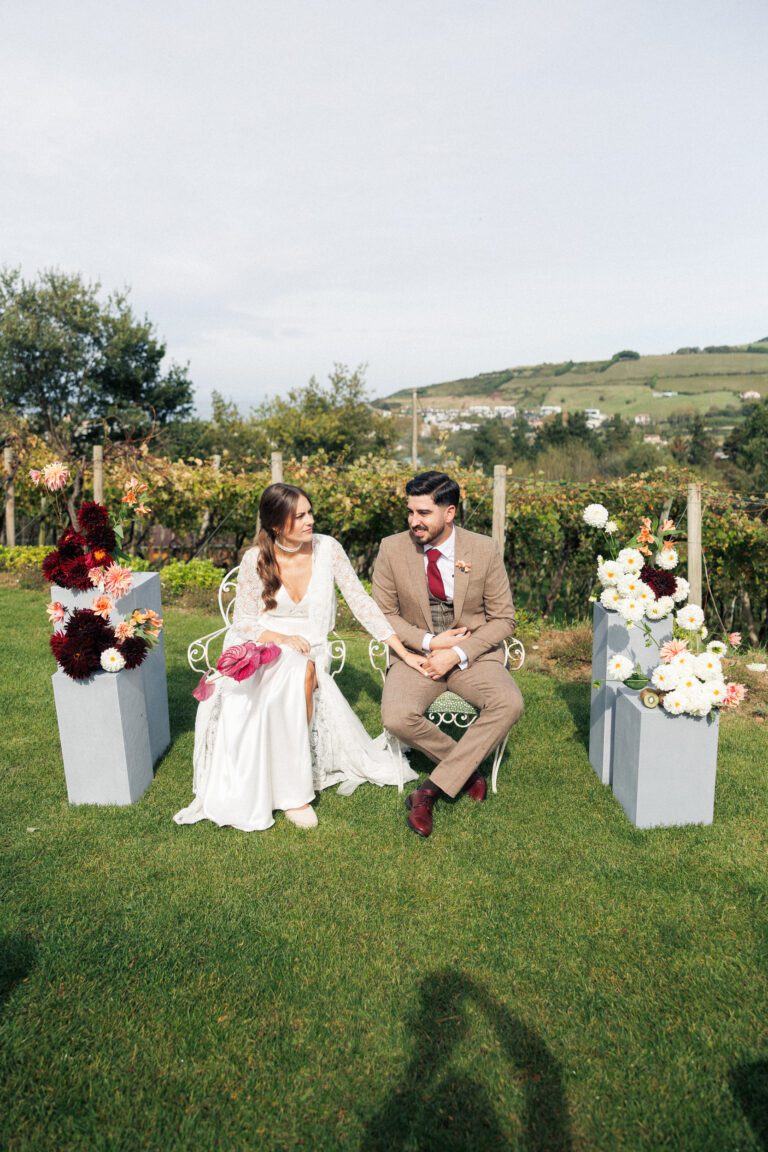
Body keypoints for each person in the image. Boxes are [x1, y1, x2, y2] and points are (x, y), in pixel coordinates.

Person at [174, 483, 424, 832]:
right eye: (300, 516)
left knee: (297, 674)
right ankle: (256, 779)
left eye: (310, 512)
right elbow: (244, 619)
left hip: (310, 646)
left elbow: (361, 602)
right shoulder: (254, 559)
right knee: (248, 695)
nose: (311, 521)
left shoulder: (328, 549)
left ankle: (294, 793)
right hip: (262, 639)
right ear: (277, 525)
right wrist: (277, 638)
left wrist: (402, 651)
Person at [372, 471, 524, 838]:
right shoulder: (392, 548)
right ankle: (467, 772)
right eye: (410, 512)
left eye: (423, 512)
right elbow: (384, 614)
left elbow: (504, 618)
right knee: (396, 716)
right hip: (416, 655)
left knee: (509, 703)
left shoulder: (484, 549)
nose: (414, 521)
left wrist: (456, 653)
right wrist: (428, 643)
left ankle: (429, 791)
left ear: (450, 512)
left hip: (471, 655)